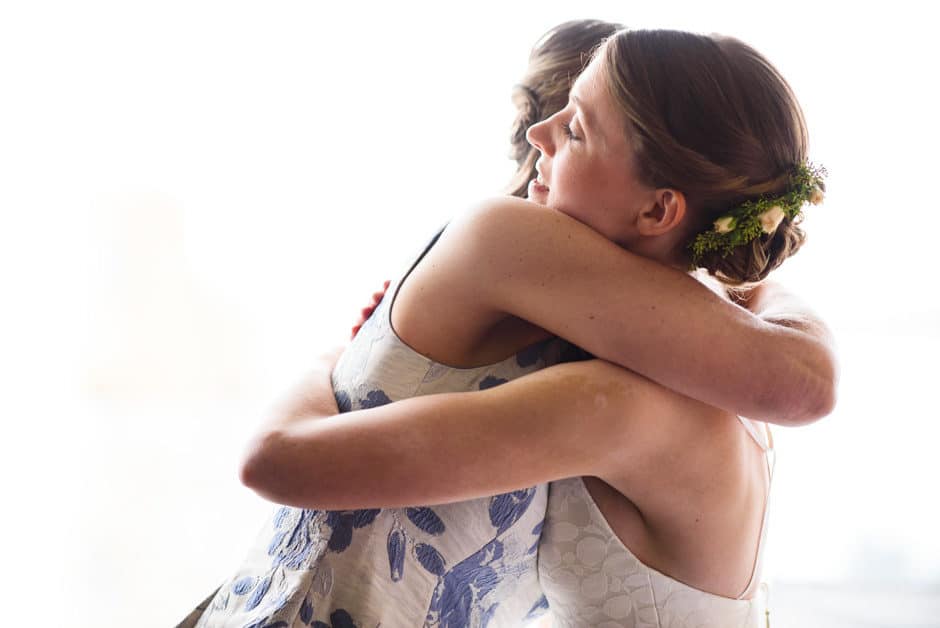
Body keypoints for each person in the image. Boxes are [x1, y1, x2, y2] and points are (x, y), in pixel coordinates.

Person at [181, 24, 836, 628]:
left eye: (577, 129)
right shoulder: (705, 387)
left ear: (661, 208)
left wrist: (331, 360)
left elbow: (277, 462)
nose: (538, 135)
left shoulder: (615, 399)